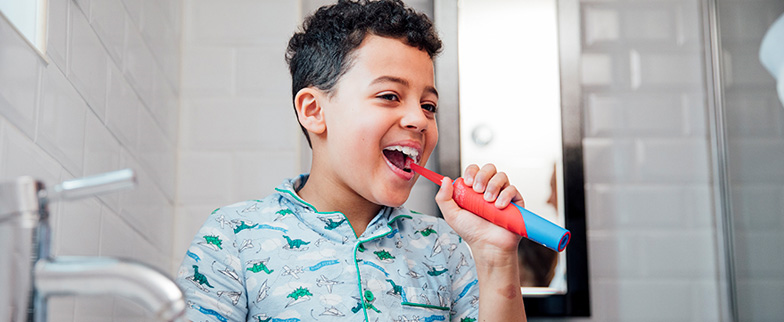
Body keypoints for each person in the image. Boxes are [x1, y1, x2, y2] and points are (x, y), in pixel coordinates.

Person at [175, 1, 527, 321]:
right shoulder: (232, 237)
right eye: (390, 96)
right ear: (314, 111)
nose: (419, 120)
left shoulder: (444, 247)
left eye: (428, 106)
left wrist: (497, 260)